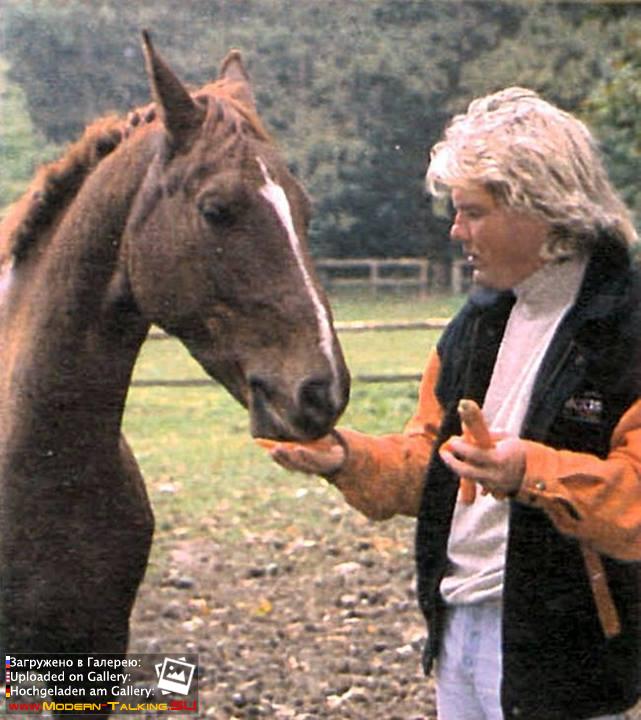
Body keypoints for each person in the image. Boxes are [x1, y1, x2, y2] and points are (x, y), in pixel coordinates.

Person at [266, 87, 641, 720]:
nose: (455, 230)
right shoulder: (475, 323)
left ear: (539, 206)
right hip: (456, 628)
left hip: (570, 659)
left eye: (472, 212)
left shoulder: (627, 329)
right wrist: (345, 458)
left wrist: (530, 472)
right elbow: (430, 464)